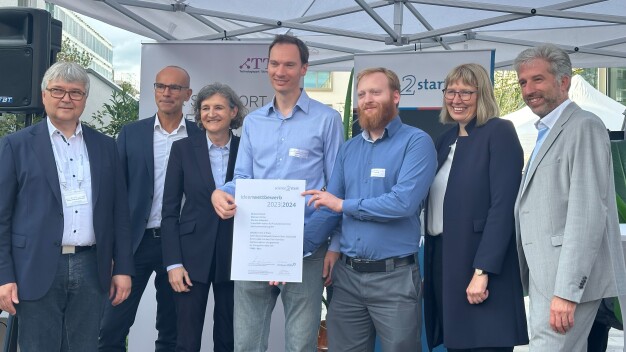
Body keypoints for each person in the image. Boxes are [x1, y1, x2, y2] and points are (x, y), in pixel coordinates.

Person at [211, 34, 344, 352]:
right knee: (246, 344)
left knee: (300, 345)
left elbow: (337, 188)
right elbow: (243, 178)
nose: (280, 71)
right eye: (274, 63)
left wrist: (333, 247)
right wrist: (221, 192)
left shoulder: (327, 120)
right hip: (257, 244)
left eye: (289, 64)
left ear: (304, 69)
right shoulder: (254, 122)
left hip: (306, 247)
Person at [0, 61, 134, 351]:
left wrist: (123, 268)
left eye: (75, 92)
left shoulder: (106, 147)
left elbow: (119, 214)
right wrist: (4, 276)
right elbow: (2, 218)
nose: (66, 98)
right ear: (44, 94)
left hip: (91, 267)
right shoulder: (15, 146)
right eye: (58, 90)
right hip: (34, 266)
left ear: (85, 98)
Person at [302, 67, 437, 352]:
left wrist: (342, 205)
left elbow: (403, 202)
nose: (367, 100)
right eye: (361, 94)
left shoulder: (416, 142)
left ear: (396, 96)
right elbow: (329, 209)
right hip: (347, 278)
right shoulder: (349, 149)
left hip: (395, 279)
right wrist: (289, 251)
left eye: (375, 92)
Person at [514, 43, 626, 351]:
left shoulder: (584, 126)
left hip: (563, 284)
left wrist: (566, 292)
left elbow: (587, 215)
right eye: (523, 82)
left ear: (564, 82)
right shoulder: (546, 131)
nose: (529, 89)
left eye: (538, 79)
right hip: (545, 278)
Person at [423, 63, 528, 352]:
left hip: (480, 264)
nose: (456, 100)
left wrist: (482, 272)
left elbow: (502, 207)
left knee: (484, 344)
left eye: (466, 93)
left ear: (482, 95)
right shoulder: (444, 140)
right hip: (445, 261)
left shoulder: (500, 132)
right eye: (451, 92)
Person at [99, 65, 200, 351]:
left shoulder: (199, 136)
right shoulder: (132, 134)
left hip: (179, 246)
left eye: (174, 88)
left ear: (187, 95)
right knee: (110, 328)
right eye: (160, 86)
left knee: (171, 331)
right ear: (154, 90)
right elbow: (113, 193)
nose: (166, 92)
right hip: (136, 243)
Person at [161, 83, 246, 352]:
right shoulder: (183, 149)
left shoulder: (247, 149)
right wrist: (173, 263)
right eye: (205, 108)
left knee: (228, 338)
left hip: (235, 256)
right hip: (190, 259)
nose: (211, 113)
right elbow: (169, 211)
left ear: (233, 111)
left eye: (218, 107)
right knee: (186, 340)